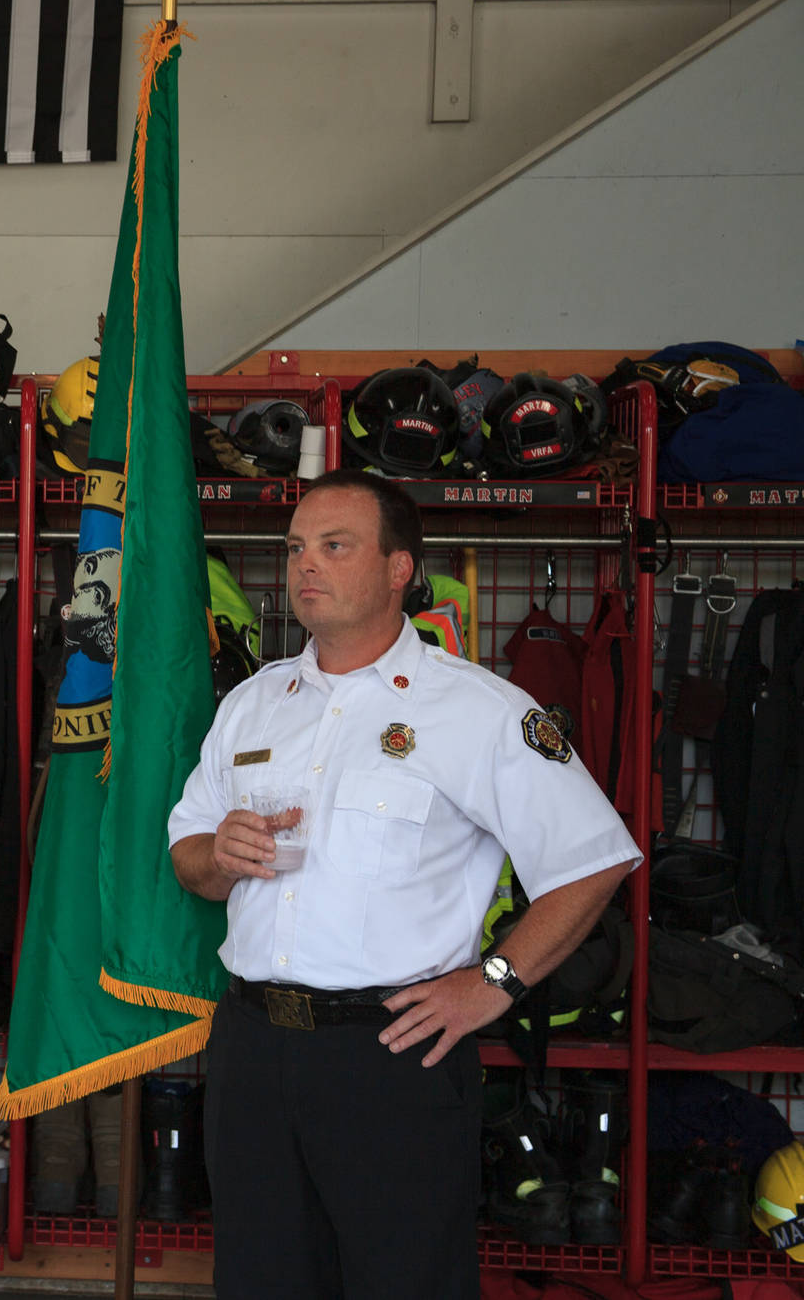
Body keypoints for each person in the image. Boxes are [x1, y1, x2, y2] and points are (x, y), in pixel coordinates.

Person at [166, 470, 640, 1300]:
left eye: (334, 545)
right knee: (259, 1280)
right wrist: (220, 853)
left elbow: (593, 858)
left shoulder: (481, 710)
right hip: (252, 1049)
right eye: (295, 548)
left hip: (391, 1054)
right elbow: (188, 856)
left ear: (399, 570)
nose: (305, 564)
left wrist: (494, 982)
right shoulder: (250, 705)